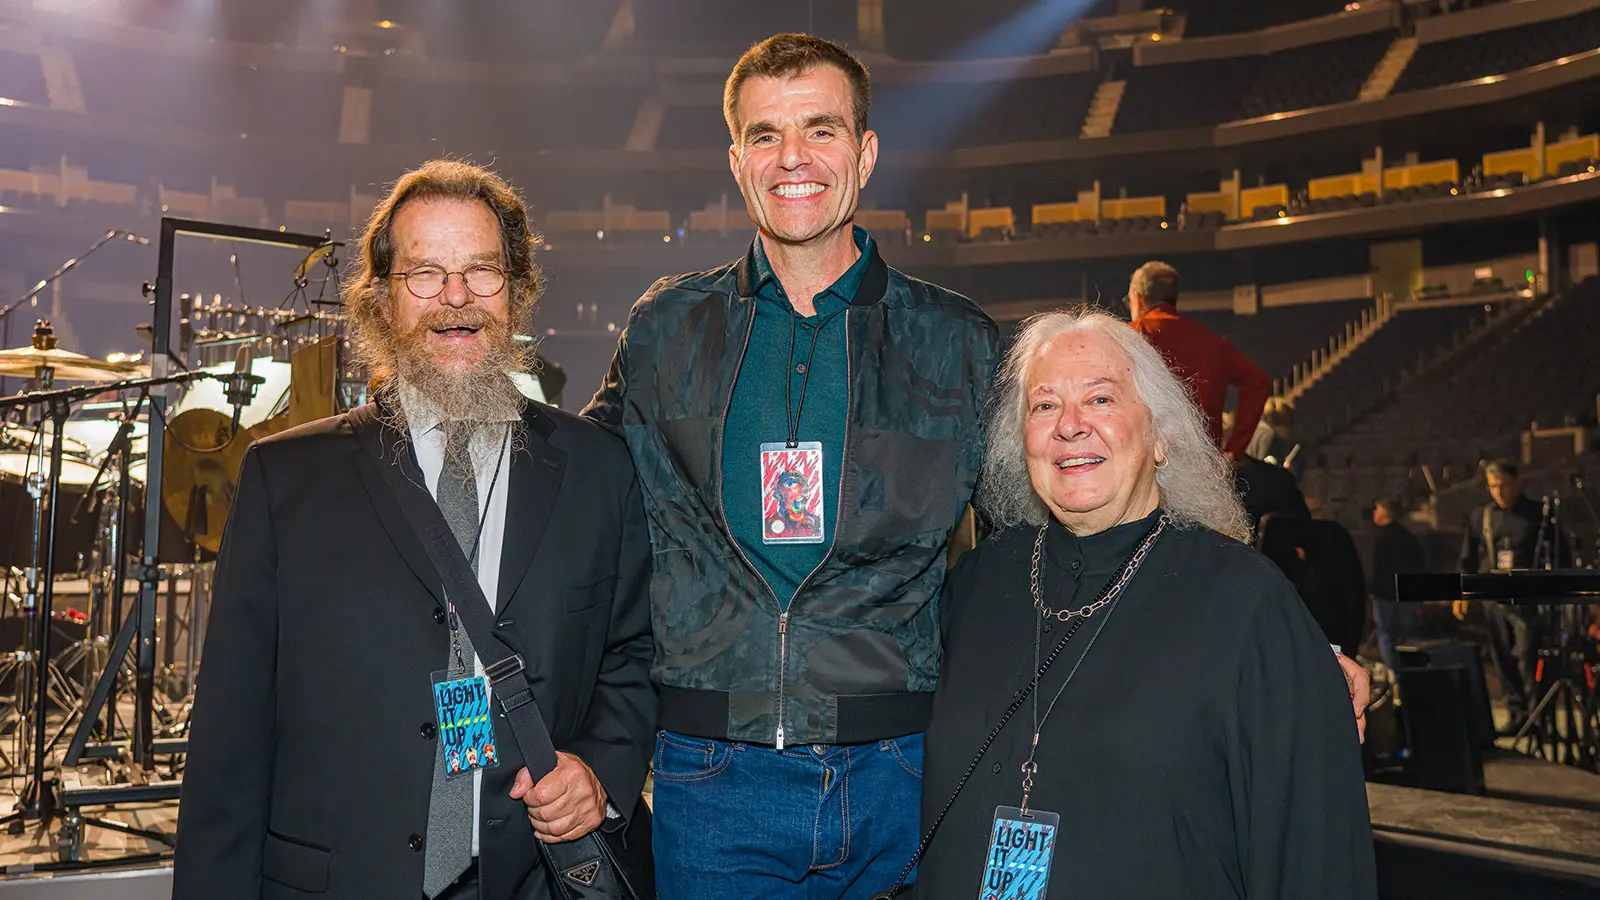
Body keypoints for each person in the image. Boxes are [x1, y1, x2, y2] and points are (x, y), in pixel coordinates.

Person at [582, 33, 1001, 898]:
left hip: (902, 772)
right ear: (737, 161)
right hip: (711, 775)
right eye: (765, 135)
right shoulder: (666, 327)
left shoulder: (957, 340)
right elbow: (579, 498)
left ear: (866, 153)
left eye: (821, 129)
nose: (793, 158)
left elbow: (1041, 543)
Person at [173, 161, 657, 900]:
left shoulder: (599, 468)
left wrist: (598, 768)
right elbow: (229, 742)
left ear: (518, 290)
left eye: (482, 271)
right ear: (381, 300)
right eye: (425, 273)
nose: (456, 297)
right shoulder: (284, 479)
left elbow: (633, 655)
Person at [913, 308, 1377, 899]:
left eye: (1101, 399)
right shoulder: (978, 582)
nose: (1070, 425)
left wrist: (1305, 665)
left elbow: (1314, 864)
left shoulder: (1246, 602)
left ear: (1162, 436)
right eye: (1045, 405)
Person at [1127, 261, 1270, 460]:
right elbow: (1257, 381)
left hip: (1149, 460)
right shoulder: (1212, 341)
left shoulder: (1131, 336)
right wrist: (1235, 448)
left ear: (1138, 299)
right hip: (1204, 462)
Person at [1455, 459, 1560, 729]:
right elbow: (1468, 557)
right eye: (1493, 486)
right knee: (1502, 657)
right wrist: (1461, 591)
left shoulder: (1537, 515)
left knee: (1528, 656)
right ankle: (1516, 713)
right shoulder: (1482, 516)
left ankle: (1537, 714)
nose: (1499, 492)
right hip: (1494, 597)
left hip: (1528, 597)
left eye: (1503, 485)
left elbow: (1556, 554)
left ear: (1516, 483)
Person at [1370, 498, 1426, 674]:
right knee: (1411, 635)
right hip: (1407, 592)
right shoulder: (1408, 537)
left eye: (1377, 509)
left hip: (1384, 595)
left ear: (1385, 514)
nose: (1374, 513)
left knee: (1386, 635)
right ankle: (1415, 673)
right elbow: (1419, 565)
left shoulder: (1379, 538)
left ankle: (1394, 674)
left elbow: (1375, 567)